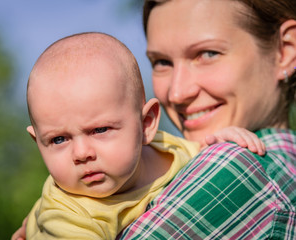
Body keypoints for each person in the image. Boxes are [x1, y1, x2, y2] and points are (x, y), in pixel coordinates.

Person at [19, 32, 265, 240]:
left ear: (146, 124)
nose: (82, 153)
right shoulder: (68, 215)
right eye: (58, 140)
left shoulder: (167, 148)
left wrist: (219, 140)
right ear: (38, 142)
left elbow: (201, 158)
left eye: (100, 130)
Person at [117, 0, 296, 239]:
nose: (176, 93)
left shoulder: (233, 164)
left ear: (285, 50)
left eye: (208, 54)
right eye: (162, 62)